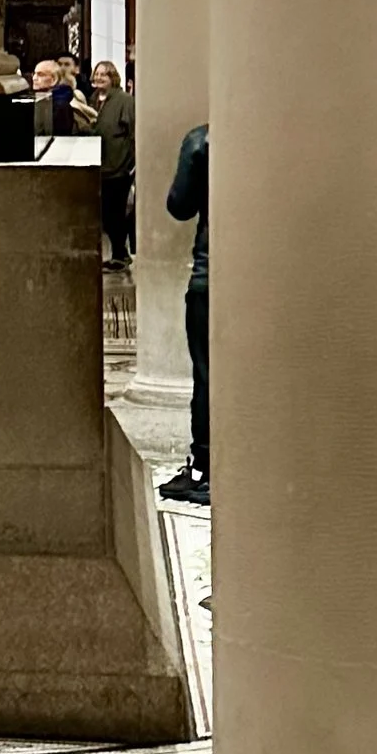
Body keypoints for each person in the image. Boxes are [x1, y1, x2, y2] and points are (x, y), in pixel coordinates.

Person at [159, 119, 208, 504]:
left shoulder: (202, 140)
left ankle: (205, 468)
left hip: (213, 277)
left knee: (208, 376)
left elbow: (179, 205)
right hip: (273, 278)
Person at [91, 60, 135, 264]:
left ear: (113, 78)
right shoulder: (93, 99)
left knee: (116, 212)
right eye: (97, 73)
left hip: (118, 166)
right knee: (105, 213)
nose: (99, 78)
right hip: (100, 165)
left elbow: (132, 131)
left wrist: (131, 162)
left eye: (104, 75)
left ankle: (120, 253)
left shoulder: (124, 100)